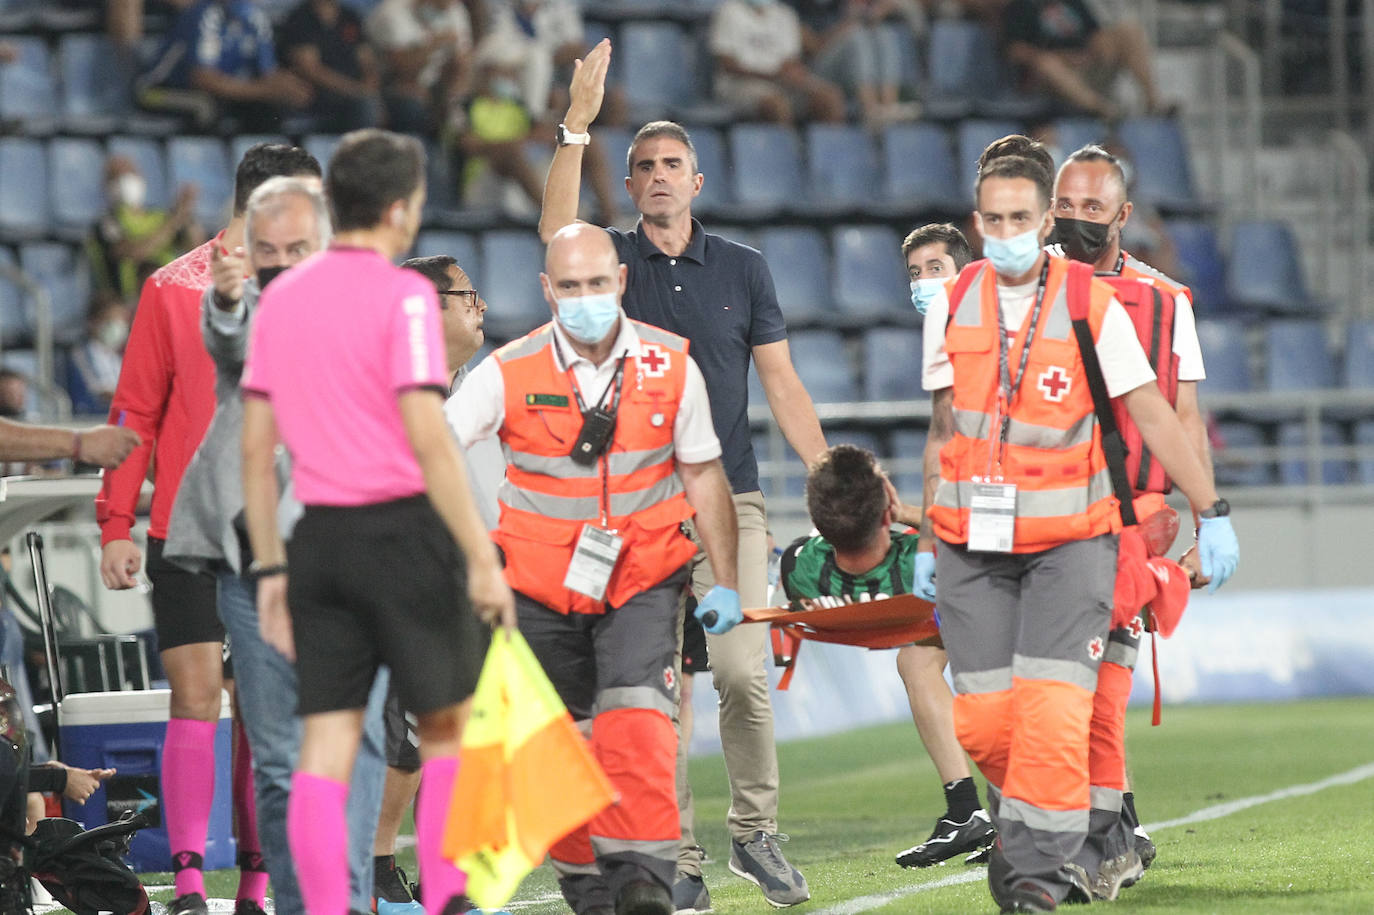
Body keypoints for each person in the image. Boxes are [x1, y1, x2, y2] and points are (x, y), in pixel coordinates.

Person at [539, 40, 827, 912]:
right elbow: (556, 231)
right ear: (627, 187)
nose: (659, 176)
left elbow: (780, 381)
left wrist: (830, 480)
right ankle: (681, 858)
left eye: (673, 164)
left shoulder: (744, 267)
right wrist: (576, 129)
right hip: (632, 510)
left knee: (741, 672)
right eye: (645, 167)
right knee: (655, 697)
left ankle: (755, 834)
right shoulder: (607, 272)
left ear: (697, 181)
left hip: (728, 505)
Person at [914, 153, 1238, 913]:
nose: (1008, 233)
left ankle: (1039, 871)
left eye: (1021, 219)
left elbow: (1163, 414)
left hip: (1082, 533)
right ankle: (1074, 830)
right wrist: (931, 533)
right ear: (978, 225)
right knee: (991, 722)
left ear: (1045, 221)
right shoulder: (953, 303)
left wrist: (1210, 510)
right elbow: (941, 428)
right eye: (993, 221)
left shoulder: (1105, 303)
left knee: (1071, 710)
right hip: (975, 541)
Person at [240, 128, 513, 915]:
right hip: (404, 536)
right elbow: (429, 438)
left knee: (323, 748)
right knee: (445, 728)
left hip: (316, 542)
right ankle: (450, 897)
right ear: (400, 209)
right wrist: (480, 556)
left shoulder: (284, 297)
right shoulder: (404, 297)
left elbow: (258, 453)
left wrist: (268, 568)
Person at [450, 222, 742, 915]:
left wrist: (726, 580)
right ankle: (586, 882)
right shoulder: (508, 370)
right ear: (548, 290)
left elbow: (703, 476)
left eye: (596, 283)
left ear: (621, 281)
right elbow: (431, 442)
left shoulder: (672, 365)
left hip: (643, 576)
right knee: (561, 743)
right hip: (538, 588)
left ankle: (643, 874)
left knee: (637, 719)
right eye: (570, 286)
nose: (585, 297)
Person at [96, 143, 325, 915]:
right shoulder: (172, 288)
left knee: (267, 708)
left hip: (285, 531)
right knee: (195, 696)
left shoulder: (317, 291)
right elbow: (135, 409)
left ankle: (257, 884)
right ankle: (192, 883)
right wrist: (113, 525)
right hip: (186, 530)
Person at [163, 172, 393, 915]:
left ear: (326, 241)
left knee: (355, 748)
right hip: (256, 563)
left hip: (356, 560)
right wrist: (228, 295)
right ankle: (304, 903)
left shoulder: (378, 304)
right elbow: (229, 335)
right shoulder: (248, 308)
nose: (284, 261)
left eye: (298, 246)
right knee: (279, 759)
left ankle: (347, 899)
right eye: (268, 249)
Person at [1048, 142, 1216, 893]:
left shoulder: (1163, 301)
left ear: (1123, 214)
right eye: (1067, 206)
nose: (1077, 220)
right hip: (1045, 512)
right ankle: (1105, 828)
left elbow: (1181, 414)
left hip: (1125, 520)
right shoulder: (1022, 291)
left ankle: (1105, 834)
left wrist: (1208, 518)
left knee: (1098, 684)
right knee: (1055, 690)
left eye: (1093, 208)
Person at [780, 444, 996, 868]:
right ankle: (1006, 813)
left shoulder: (801, 570)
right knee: (930, 664)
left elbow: (797, 561)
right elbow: (983, 530)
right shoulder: (925, 559)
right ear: (886, 508)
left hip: (893, 618)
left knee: (914, 661)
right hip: (983, 619)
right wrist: (908, 514)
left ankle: (967, 810)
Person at [367, 253, 488, 915]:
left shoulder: (465, 384)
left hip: (450, 581)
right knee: (403, 737)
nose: (482, 306)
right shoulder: (393, 387)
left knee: (437, 732)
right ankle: (376, 865)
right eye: (468, 294)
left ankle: (427, 872)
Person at [136, 0, 313, 131]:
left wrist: (289, 88)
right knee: (204, 108)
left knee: (269, 109)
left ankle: (260, 169)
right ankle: (198, 170)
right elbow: (203, 79)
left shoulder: (255, 18)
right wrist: (265, 90)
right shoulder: (205, 14)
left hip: (217, 92)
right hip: (155, 92)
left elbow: (268, 74)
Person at [1003, 0, 1169, 120]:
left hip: (1087, 68)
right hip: (1051, 81)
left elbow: (1095, 34)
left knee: (1129, 30)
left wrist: (1097, 49)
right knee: (1047, 63)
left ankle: (1153, 102)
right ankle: (1100, 110)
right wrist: (1063, 57)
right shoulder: (1019, 6)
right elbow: (1014, 50)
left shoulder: (1073, 3)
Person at [87, 155, 204, 304]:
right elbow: (133, 252)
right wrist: (175, 220)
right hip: (126, 303)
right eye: (115, 177)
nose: (124, 181)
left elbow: (194, 246)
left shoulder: (160, 217)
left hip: (168, 297)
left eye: (129, 173)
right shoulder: (107, 223)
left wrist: (187, 214)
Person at [708, 0, 845, 125]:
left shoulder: (785, 14)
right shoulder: (729, 11)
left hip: (780, 81)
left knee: (829, 98)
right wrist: (773, 75)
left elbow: (790, 61)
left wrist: (794, 75)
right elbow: (728, 64)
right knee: (776, 104)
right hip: (740, 83)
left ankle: (832, 150)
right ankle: (785, 150)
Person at [786, 0, 915, 126]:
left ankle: (888, 106)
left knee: (884, 33)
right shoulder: (799, 5)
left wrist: (874, 14)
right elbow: (814, 46)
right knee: (856, 38)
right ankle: (870, 108)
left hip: (846, 67)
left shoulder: (839, 4)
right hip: (815, 68)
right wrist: (846, 28)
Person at [366, 0, 476, 136]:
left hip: (434, 86)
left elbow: (463, 61)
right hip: (388, 85)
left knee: (465, 110)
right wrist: (435, 43)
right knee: (412, 106)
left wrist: (451, 97)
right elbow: (403, 71)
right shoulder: (392, 14)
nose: (445, 10)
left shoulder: (454, 9)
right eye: (437, 5)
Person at [277, 0, 384, 131]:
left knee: (406, 107)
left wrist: (370, 91)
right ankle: (364, 150)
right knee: (364, 106)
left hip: (357, 92)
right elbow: (310, 69)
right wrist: (356, 91)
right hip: (319, 95)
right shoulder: (300, 18)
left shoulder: (350, 16)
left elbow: (368, 63)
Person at [69, 295, 131, 415]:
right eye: (110, 321)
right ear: (93, 322)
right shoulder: (83, 354)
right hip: (94, 418)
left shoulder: (115, 357)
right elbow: (99, 391)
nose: (118, 327)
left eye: (121, 322)